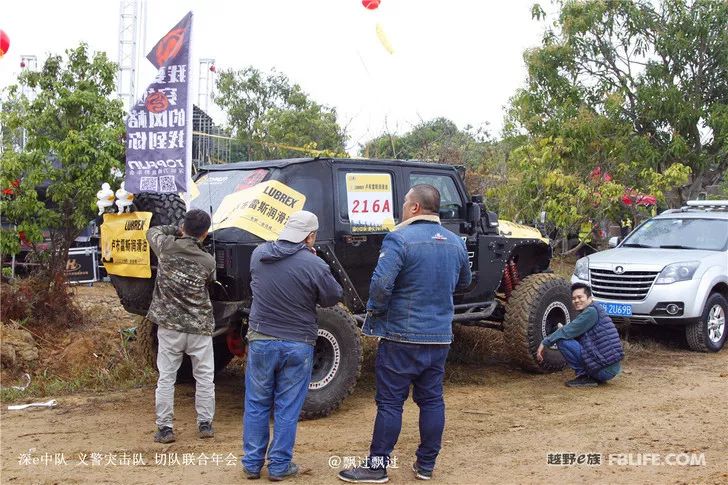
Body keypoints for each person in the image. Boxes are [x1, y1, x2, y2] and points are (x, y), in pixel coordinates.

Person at [338, 184, 472, 483]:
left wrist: (377, 311)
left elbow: (381, 285)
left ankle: (377, 467)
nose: (401, 208)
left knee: (390, 403)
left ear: (414, 208)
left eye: (404, 203)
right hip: (439, 336)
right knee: (432, 400)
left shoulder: (399, 238)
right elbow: (465, 282)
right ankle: (425, 466)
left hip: (401, 336)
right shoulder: (455, 242)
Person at [243, 210, 343, 481]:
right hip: (298, 343)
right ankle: (278, 466)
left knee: (257, 403)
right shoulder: (314, 264)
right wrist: (316, 263)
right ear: (310, 236)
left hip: (261, 339)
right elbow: (332, 297)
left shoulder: (259, 254)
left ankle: (252, 464)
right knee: (287, 406)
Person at [147, 209, 217, 444]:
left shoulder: (165, 247)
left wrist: (175, 229)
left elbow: (152, 231)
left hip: (170, 327)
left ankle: (165, 428)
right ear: (205, 234)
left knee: (166, 378)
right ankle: (205, 424)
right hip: (199, 327)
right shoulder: (208, 261)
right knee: (205, 377)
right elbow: (210, 280)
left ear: (183, 227)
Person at [537, 282, 624, 388]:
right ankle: (592, 375)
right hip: (609, 367)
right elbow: (575, 331)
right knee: (564, 335)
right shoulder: (595, 309)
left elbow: (567, 332)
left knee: (562, 340)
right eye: (573, 298)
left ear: (589, 298)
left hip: (604, 370)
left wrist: (544, 342)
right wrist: (564, 328)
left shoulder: (591, 312)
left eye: (580, 297)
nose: (576, 301)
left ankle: (584, 377)